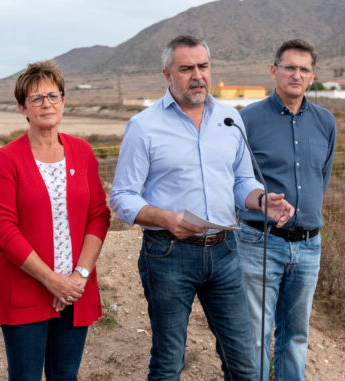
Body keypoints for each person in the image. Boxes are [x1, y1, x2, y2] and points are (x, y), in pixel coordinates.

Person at [110, 35, 294, 381]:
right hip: (168, 254)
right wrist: (167, 219)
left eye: (203, 66)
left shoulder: (229, 119)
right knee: (168, 364)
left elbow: (241, 181)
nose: (197, 75)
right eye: (186, 68)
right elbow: (122, 197)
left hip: (225, 252)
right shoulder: (144, 126)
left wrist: (261, 200)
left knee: (245, 364)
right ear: (167, 75)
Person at [0, 61, 111, 381]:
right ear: (22, 108)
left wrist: (78, 276)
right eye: (37, 98)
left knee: (65, 376)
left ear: (64, 101)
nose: (47, 104)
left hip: (75, 291)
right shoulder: (7, 158)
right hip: (25, 289)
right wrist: (50, 279)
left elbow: (99, 215)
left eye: (53, 96)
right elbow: (2, 228)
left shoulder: (82, 152)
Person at [236, 39, 336, 381]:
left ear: (312, 76)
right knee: (256, 335)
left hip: (309, 245)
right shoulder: (246, 120)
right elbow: (236, 180)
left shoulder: (325, 121)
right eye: (289, 67)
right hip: (259, 242)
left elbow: (322, 176)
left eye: (304, 69)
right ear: (273, 71)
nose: (297, 74)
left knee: (296, 335)